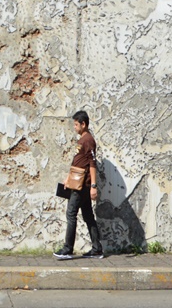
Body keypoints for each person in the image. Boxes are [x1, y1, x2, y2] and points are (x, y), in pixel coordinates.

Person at [55, 110, 104, 259]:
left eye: (76, 125)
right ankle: (96, 249)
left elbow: (92, 163)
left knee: (71, 214)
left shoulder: (88, 140)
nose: (74, 127)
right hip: (77, 182)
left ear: (83, 124)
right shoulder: (83, 139)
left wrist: (93, 186)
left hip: (82, 185)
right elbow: (78, 162)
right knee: (88, 216)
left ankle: (67, 249)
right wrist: (68, 178)